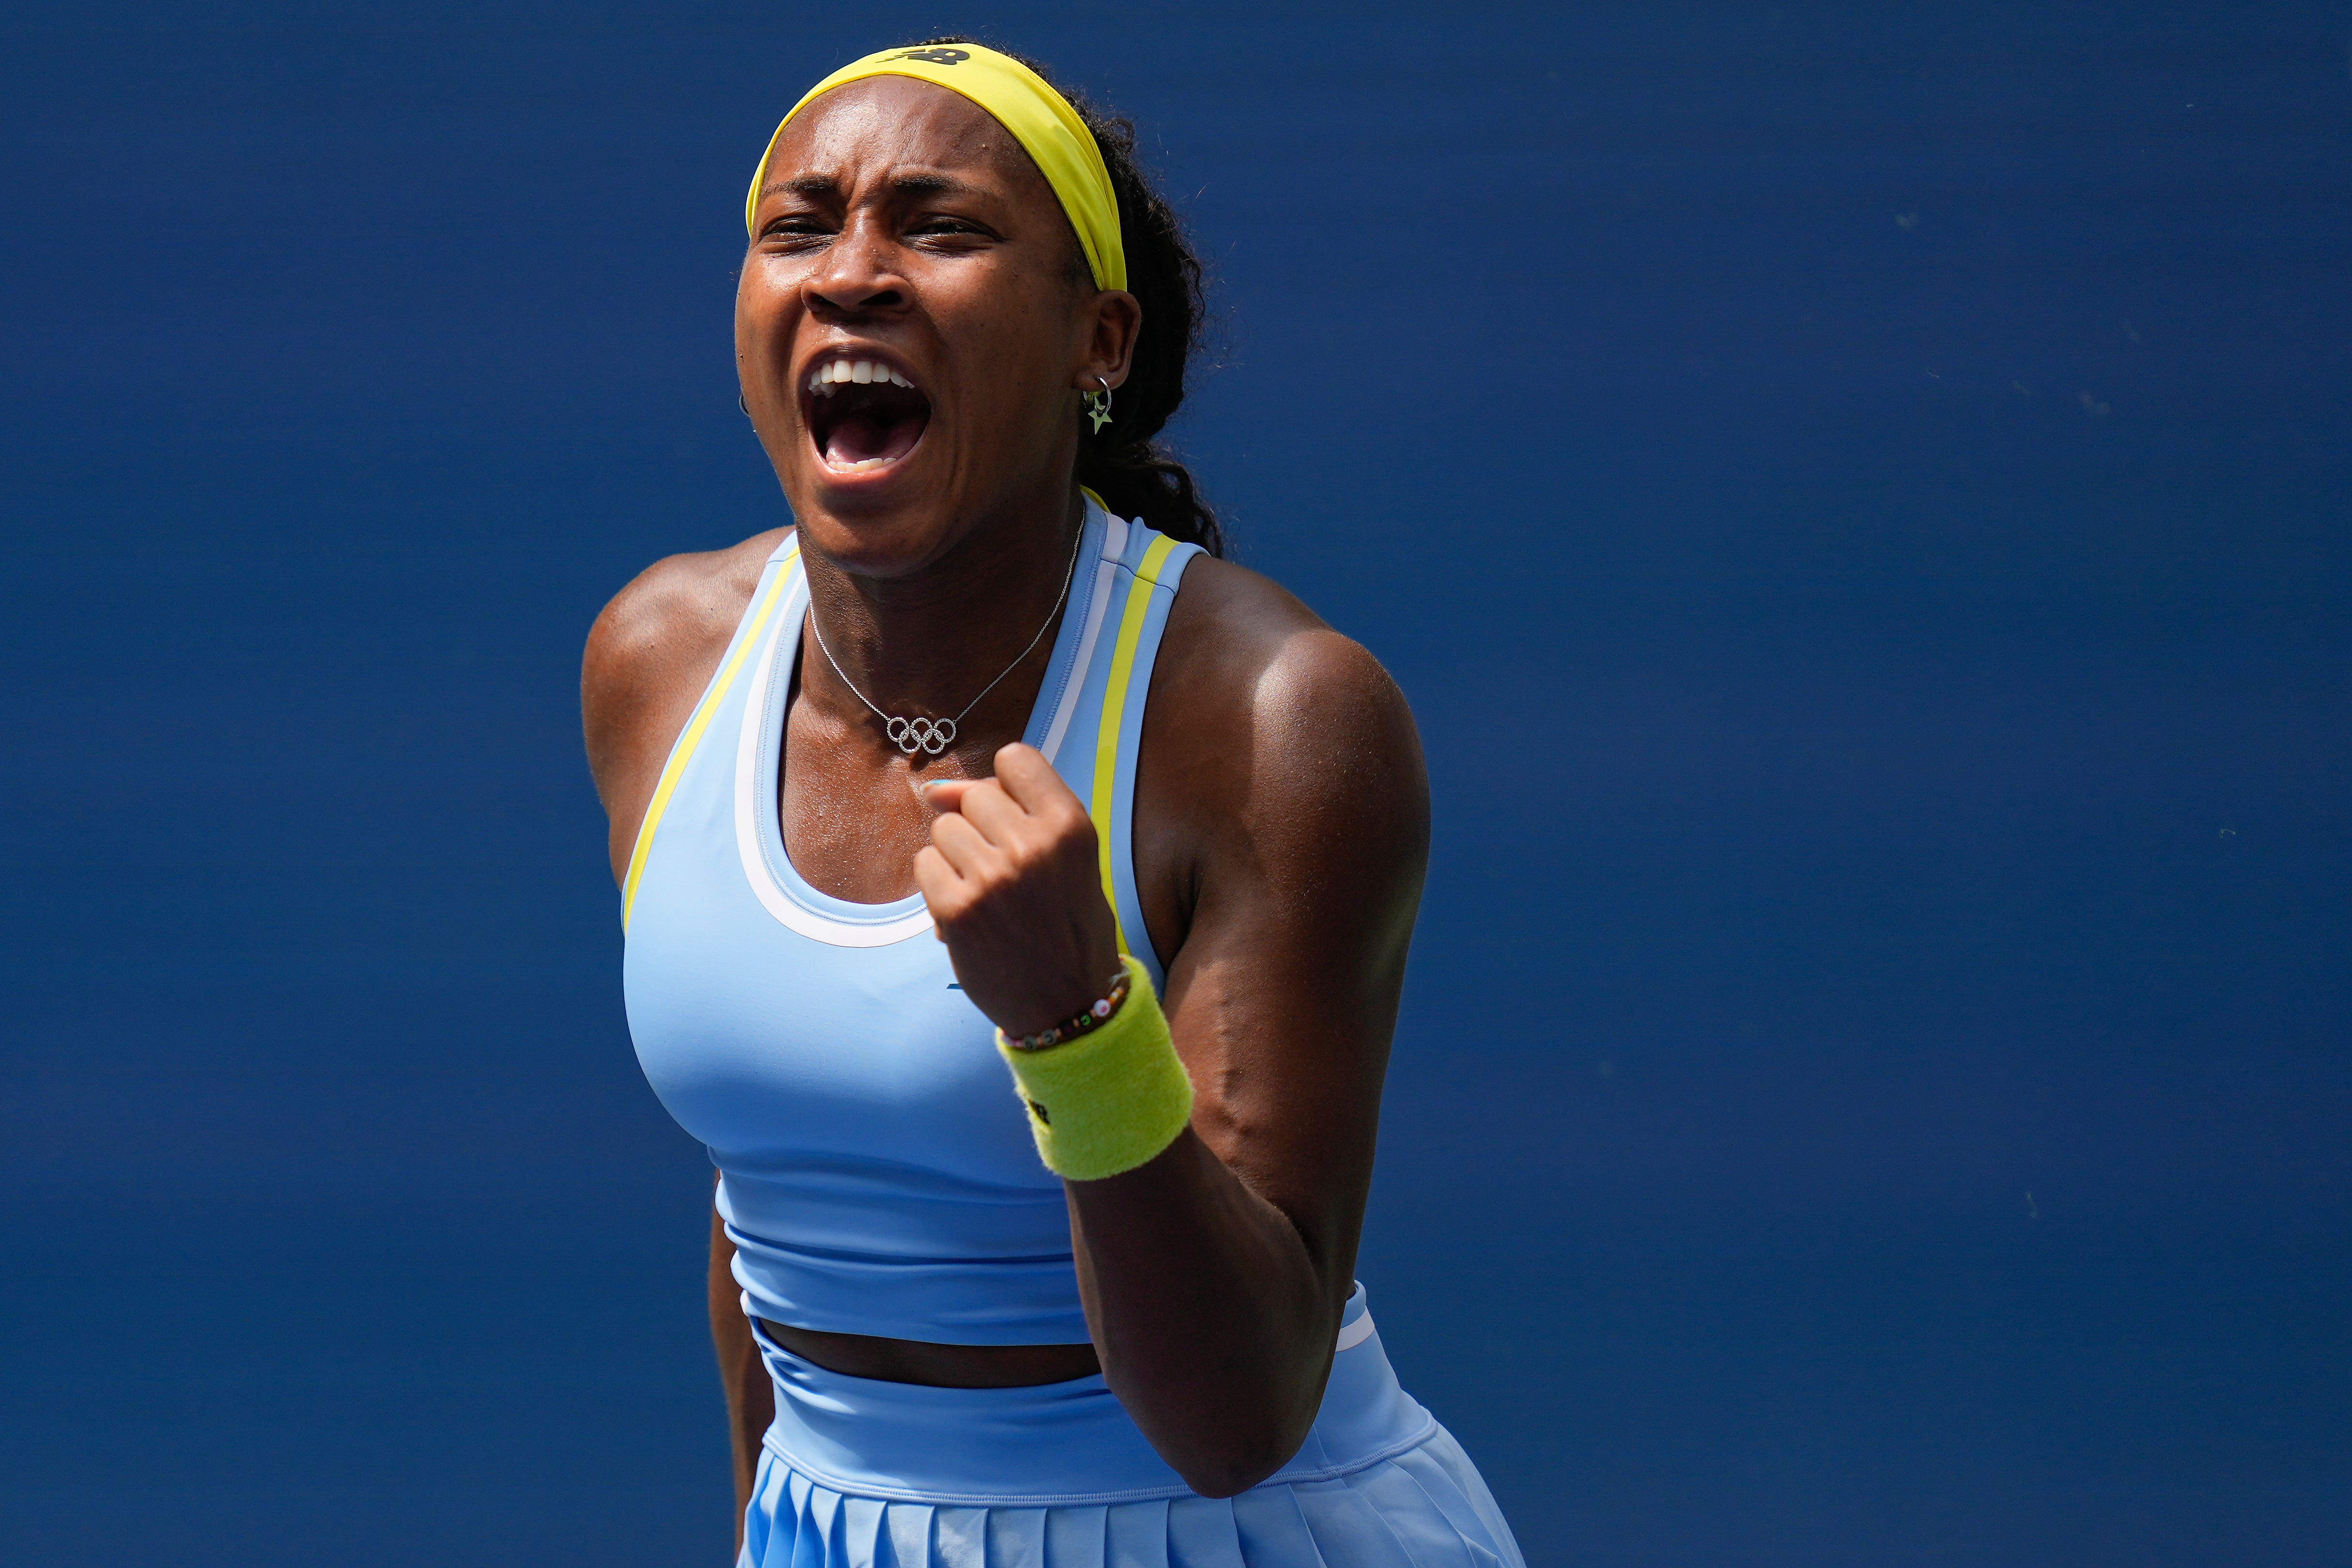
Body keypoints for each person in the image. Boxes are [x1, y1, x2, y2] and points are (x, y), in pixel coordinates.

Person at [583, 38, 1524, 1568]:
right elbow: (771, 1193)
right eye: (800, 224)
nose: (854, 273)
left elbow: (1237, 1416)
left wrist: (1077, 1025)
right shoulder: (658, 661)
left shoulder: (1281, 722)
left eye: (939, 226)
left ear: (1100, 341)